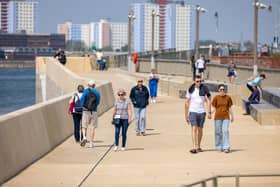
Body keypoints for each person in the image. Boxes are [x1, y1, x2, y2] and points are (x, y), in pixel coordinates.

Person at [185, 75, 211, 154]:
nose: (199, 83)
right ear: (194, 82)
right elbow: (186, 103)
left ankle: (198, 146)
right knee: (194, 128)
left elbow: (208, 101)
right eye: (197, 81)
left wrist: (209, 112)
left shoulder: (204, 89)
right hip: (193, 111)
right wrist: (186, 114)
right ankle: (194, 147)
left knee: (200, 130)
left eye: (200, 81)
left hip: (202, 112)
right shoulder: (190, 90)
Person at [211, 84, 234, 153]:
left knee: (225, 131)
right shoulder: (216, 98)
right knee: (218, 132)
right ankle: (218, 146)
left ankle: (226, 147)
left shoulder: (228, 98)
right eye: (221, 89)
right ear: (218, 90)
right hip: (217, 117)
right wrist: (210, 113)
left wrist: (232, 116)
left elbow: (229, 107)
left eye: (223, 89)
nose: (222, 90)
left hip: (226, 117)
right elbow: (214, 107)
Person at [80, 80, 101, 148]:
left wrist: (83, 106)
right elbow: (98, 103)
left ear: (88, 85)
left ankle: (85, 137)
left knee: (84, 126)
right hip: (94, 111)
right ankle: (91, 143)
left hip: (86, 111)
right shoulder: (97, 92)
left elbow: (82, 100)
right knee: (92, 128)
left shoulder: (86, 91)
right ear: (94, 85)